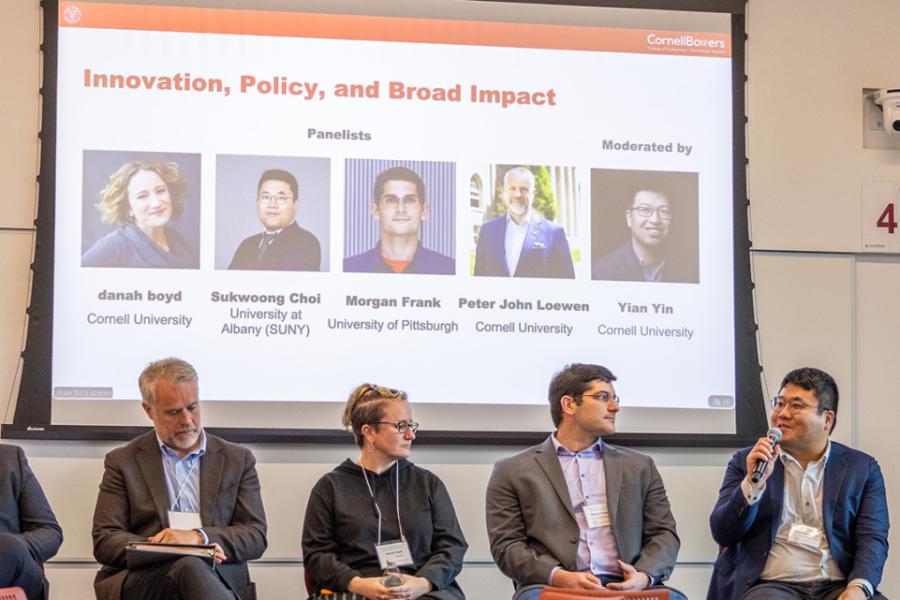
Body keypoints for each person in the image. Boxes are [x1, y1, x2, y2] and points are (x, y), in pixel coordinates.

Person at [486, 363, 684, 600]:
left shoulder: (640, 467)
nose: (615, 407)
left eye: (615, 398)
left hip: (629, 586)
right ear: (569, 404)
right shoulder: (513, 470)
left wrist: (642, 576)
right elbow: (507, 546)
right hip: (557, 587)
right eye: (603, 397)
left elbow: (664, 534)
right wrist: (560, 576)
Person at [91, 358, 267, 600]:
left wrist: (198, 538)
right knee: (187, 565)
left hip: (219, 580)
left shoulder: (237, 459)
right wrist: (168, 548)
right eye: (174, 412)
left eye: (192, 408)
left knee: (193, 568)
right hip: (149, 579)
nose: (186, 420)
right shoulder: (123, 461)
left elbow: (255, 535)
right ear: (149, 410)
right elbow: (105, 539)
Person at [708, 367, 889, 600]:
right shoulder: (747, 461)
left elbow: (872, 538)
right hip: (770, 586)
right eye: (779, 403)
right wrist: (752, 485)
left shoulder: (862, 469)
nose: (782, 413)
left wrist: (858, 588)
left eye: (796, 406)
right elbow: (723, 533)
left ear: (827, 418)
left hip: (838, 585)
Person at [302, 384, 467, 599]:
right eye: (400, 426)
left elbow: (452, 547)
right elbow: (317, 555)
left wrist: (423, 582)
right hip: (356, 590)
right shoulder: (331, 487)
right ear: (369, 432)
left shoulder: (427, 483)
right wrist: (357, 584)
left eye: (411, 426)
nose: (411, 435)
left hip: (422, 591)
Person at [82, 160, 198, 268]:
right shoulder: (114, 246)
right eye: (142, 196)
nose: (156, 203)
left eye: (160, 191)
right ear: (128, 208)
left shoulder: (177, 241)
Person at [343, 166, 454, 275]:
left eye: (410, 200)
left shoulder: (450, 269)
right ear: (375, 211)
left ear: (424, 212)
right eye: (391, 200)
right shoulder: (347, 268)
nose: (401, 209)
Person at [473, 166, 574, 279]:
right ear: (505, 191)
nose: (518, 195)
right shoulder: (487, 231)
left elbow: (566, 282)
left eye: (524, 189)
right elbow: (479, 280)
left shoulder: (554, 233)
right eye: (512, 188)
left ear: (533, 193)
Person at [0, 444, 63, 600]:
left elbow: (49, 531)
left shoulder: (9, 458)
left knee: (8, 544)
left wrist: (11, 548)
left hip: (12, 573)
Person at [228, 169, 322, 271]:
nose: (272, 204)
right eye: (266, 197)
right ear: (257, 201)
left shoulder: (306, 243)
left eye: (281, 198)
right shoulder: (246, 245)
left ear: (295, 204)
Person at [592, 189, 688, 283]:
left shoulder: (688, 269)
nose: (655, 220)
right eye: (645, 210)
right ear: (629, 217)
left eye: (664, 211)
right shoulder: (601, 272)